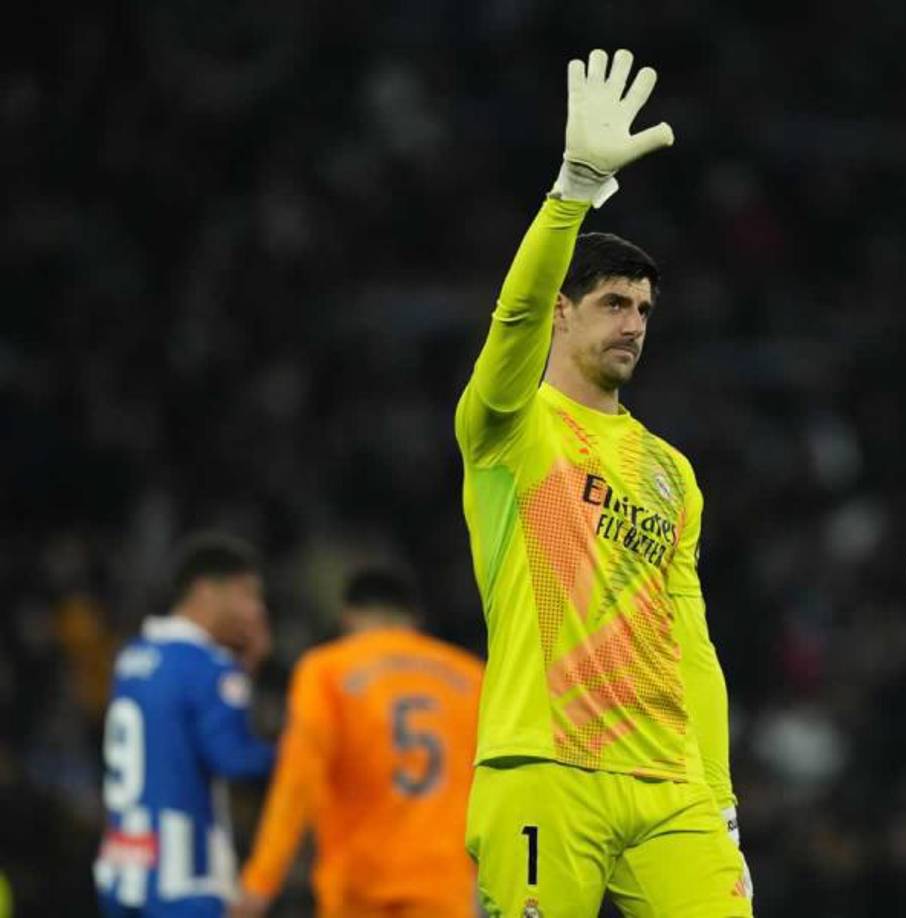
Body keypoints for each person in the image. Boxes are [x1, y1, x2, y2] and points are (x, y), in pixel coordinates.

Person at [455, 47, 752, 916]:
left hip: (670, 785)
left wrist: (722, 797)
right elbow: (511, 315)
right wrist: (573, 188)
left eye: (645, 310)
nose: (634, 324)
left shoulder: (672, 473)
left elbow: (692, 642)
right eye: (614, 304)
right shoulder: (510, 426)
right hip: (545, 763)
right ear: (564, 311)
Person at [229, 564, 484, 918]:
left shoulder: (325, 670)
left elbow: (298, 778)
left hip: (357, 889)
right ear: (414, 619)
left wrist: (261, 881)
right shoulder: (471, 677)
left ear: (348, 617)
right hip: (444, 887)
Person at [95, 532, 276, 918]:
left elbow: (172, 735)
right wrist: (300, 752)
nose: (256, 612)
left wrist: (241, 674)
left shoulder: (134, 655)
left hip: (123, 863)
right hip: (183, 878)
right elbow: (234, 759)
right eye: (247, 595)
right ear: (207, 591)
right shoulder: (208, 666)